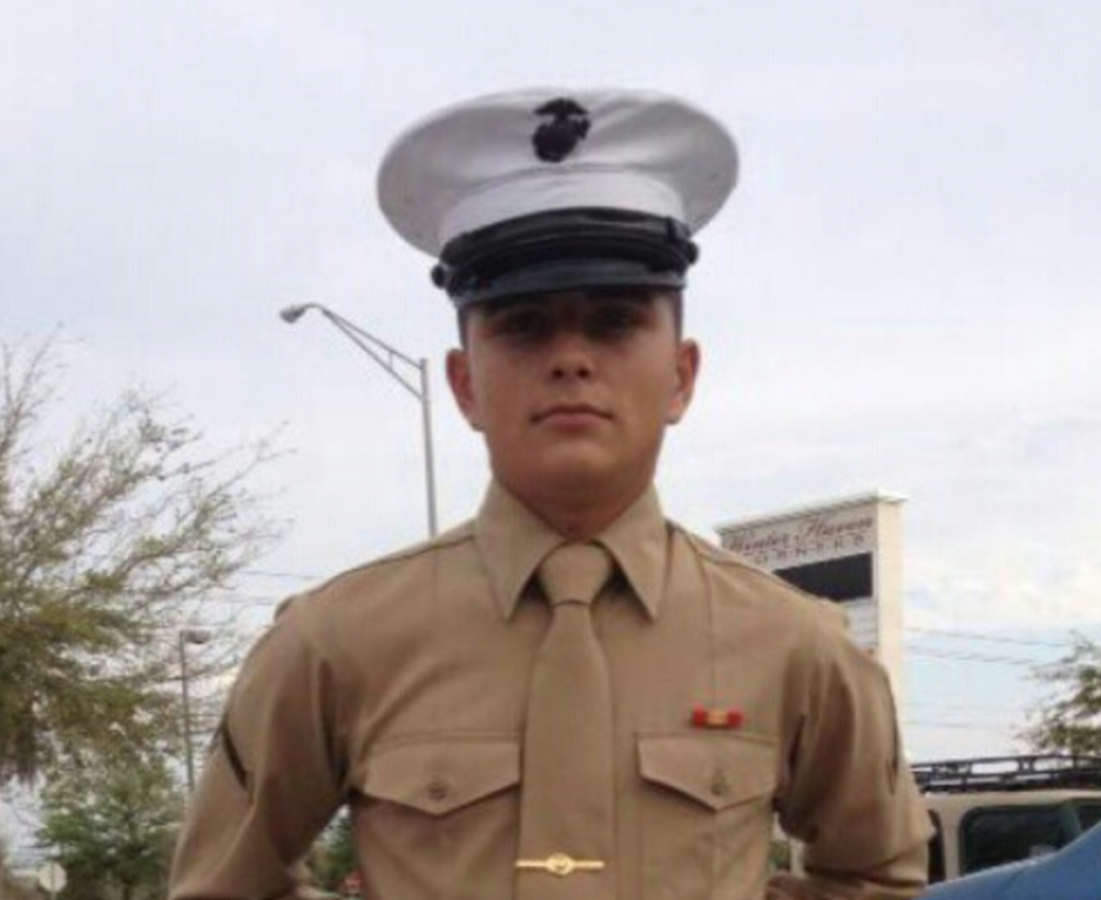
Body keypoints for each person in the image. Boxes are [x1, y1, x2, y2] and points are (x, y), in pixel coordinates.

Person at [169, 87, 932, 900]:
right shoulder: (332, 643)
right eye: (523, 326)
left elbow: (878, 878)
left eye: (614, 321)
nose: (570, 358)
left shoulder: (796, 644)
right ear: (465, 384)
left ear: (681, 376)